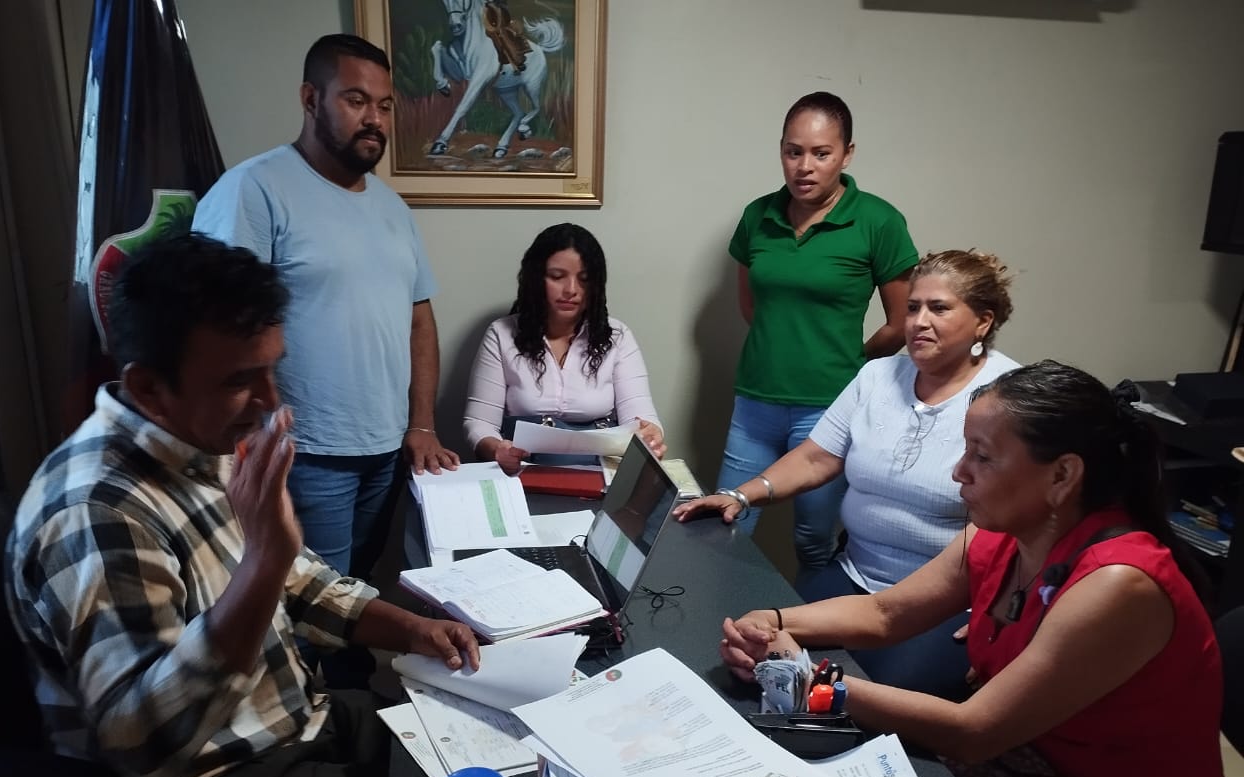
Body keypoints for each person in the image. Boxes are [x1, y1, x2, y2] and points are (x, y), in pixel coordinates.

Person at [5, 234, 481, 777]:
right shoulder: (96, 513)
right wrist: (263, 562)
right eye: (239, 380)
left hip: (292, 722)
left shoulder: (201, 440)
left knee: (457, 744)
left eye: (272, 370)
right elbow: (148, 746)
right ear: (148, 388)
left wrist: (412, 628)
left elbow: (300, 581)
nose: (269, 402)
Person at [720, 360, 1229, 777]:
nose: (959, 471)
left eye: (982, 456)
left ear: (1062, 475)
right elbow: (886, 613)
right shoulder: (1002, 534)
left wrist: (809, 682)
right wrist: (772, 619)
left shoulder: (1118, 585)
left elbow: (974, 732)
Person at [193, 34, 458, 688]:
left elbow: (419, 321)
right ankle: (326, 726)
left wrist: (421, 423)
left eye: (386, 106)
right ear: (311, 99)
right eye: (356, 100)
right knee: (313, 616)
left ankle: (346, 712)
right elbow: (221, 327)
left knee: (354, 596)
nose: (375, 119)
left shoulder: (392, 208)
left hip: (383, 452)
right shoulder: (254, 190)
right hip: (302, 453)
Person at [679, 250, 1020, 699]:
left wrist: (1002, 604)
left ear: (982, 322)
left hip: (948, 602)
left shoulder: (1009, 397)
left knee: (873, 694)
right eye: (912, 307)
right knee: (755, 651)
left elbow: (1025, 517)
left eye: (938, 308)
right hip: (855, 576)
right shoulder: (878, 376)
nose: (918, 322)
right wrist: (740, 496)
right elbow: (815, 458)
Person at [719, 90, 918, 588]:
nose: (804, 166)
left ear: (846, 154)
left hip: (829, 410)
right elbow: (752, 307)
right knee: (726, 524)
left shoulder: (878, 221)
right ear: (781, 151)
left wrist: (850, 360)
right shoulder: (758, 215)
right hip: (755, 403)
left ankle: (808, 627)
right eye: (793, 152)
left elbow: (901, 322)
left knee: (813, 539)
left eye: (821, 153)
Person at [463, 222, 665, 474]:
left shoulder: (618, 336)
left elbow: (641, 416)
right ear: (536, 279)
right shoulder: (501, 334)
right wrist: (497, 450)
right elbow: (479, 422)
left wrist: (650, 433)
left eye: (584, 279)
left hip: (598, 472)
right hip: (524, 470)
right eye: (557, 277)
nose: (571, 290)